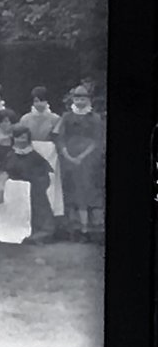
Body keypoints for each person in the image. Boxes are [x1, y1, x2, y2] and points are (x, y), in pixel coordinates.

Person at [53, 85, 104, 242]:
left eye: (83, 98)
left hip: (89, 159)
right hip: (69, 158)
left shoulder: (94, 118)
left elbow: (97, 140)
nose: (80, 101)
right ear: (72, 100)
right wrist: (68, 155)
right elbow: (60, 138)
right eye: (77, 98)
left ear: (88, 100)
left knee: (87, 189)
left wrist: (82, 156)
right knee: (70, 189)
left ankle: (89, 227)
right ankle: (72, 228)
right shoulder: (67, 117)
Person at [3, 125, 55, 244]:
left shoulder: (35, 156)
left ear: (28, 139)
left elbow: (46, 172)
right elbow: (6, 170)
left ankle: (41, 233)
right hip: (15, 191)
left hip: (34, 189)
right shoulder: (10, 154)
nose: (20, 140)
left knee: (38, 209)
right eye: (17, 137)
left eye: (23, 137)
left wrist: (35, 183)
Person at [19, 86, 64, 219]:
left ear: (47, 101)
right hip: (31, 151)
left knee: (50, 184)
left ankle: (51, 220)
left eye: (42, 101)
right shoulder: (25, 119)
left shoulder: (55, 118)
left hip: (49, 152)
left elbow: (58, 138)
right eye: (36, 101)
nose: (39, 104)